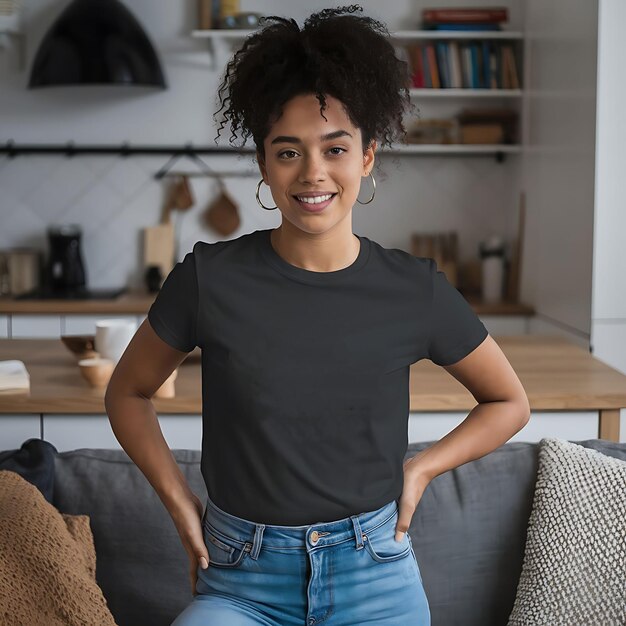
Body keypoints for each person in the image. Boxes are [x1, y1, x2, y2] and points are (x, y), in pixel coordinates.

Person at [104, 5, 531, 625]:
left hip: (375, 576)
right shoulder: (208, 277)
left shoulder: (414, 288)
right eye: (288, 152)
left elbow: (508, 402)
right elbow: (127, 392)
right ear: (262, 165)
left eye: (335, 148)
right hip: (239, 581)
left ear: (366, 157)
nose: (312, 174)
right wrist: (179, 502)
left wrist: (423, 467)